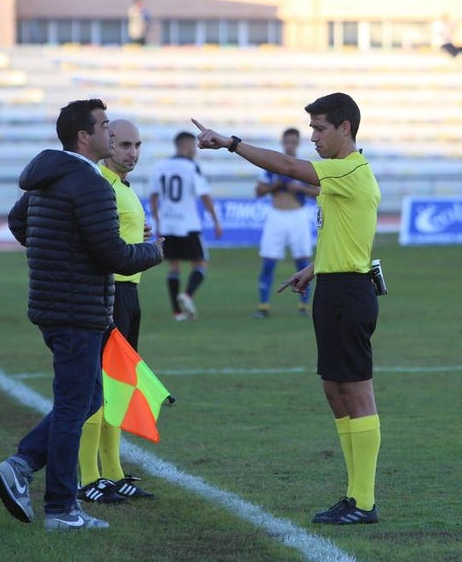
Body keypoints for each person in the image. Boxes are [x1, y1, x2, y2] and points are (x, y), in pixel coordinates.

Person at [193, 92, 384, 526]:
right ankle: (354, 494)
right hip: (333, 288)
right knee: (335, 391)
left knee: (357, 393)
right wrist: (314, 269)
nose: (313, 137)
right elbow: (348, 234)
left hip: (349, 293)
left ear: (345, 129)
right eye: (312, 128)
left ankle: (364, 501)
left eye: (320, 128)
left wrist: (232, 143)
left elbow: (288, 167)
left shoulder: (349, 169)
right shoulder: (342, 175)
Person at [0, 99, 163, 531]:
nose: (110, 133)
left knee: (89, 398)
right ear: (84, 137)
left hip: (59, 304)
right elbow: (113, 255)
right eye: (104, 126)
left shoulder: (50, 177)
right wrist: (153, 252)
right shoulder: (90, 183)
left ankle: (22, 466)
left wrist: (58, 251)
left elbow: (18, 222)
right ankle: (61, 507)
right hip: (78, 307)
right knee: (73, 405)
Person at [77, 118, 157, 505]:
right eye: (125, 145)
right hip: (110, 293)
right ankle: (89, 476)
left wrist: (139, 238)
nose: (133, 152)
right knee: (100, 386)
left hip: (129, 293)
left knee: (119, 386)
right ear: (108, 144)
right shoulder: (101, 185)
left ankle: (112, 471)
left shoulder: (122, 186)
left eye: (137, 145)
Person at [149, 131, 222, 322]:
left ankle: (177, 313)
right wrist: (215, 220)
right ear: (185, 145)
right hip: (188, 224)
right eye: (193, 146)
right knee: (201, 263)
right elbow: (205, 196)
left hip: (167, 224)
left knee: (173, 267)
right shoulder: (191, 167)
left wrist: (157, 221)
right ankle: (188, 294)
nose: (195, 150)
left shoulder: (160, 167)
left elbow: (153, 197)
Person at [254, 127, 320, 319]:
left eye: (293, 142)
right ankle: (263, 305)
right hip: (276, 216)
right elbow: (259, 191)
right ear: (283, 142)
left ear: (298, 143)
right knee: (268, 262)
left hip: (298, 216)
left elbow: (318, 191)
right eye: (287, 142)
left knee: (303, 263)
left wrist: (299, 189)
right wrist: (275, 186)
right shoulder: (273, 166)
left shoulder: (304, 167)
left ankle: (304, 305)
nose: (290, 145)